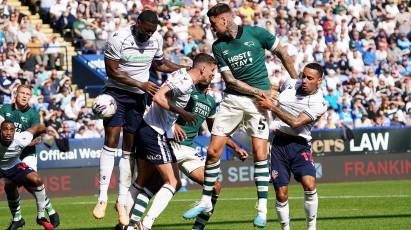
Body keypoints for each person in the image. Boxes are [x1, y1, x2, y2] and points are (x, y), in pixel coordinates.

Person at [183, 3, 298, 228]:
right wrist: (260, 91)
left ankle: (262, 208)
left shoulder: (257, 33)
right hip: (234, 100)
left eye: (213, 23)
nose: (212, 28)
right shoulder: (218, 47)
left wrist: (295, 82)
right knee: (213, 149)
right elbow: (231, 81)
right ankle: (206, 200)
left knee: (260, 152)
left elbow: (282, 52)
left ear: (224, 20)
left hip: (259, 104)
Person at [93, 9, 188, 226]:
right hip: (116, 93)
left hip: (138, 98)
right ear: (137, 24)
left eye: (152, 31)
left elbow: (160, 64)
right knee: (111, 140)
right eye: (146, 31)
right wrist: (141, 84)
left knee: (128, 148)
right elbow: (112, 71)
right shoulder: (118, 38)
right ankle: (102, 198)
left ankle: (120, 201)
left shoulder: (156, 38)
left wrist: (184, 69)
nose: (148, 35)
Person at [126, 82, 249, 230]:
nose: (211, 73)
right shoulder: (185, 91)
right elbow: (160, 104)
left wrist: (236, 147)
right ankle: (137, 225)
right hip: (169, 144)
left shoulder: (210, 102)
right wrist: (173, 124)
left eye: (213, 71)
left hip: (188, 150)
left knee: (215, 186)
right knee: (154, 185)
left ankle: (197, 228)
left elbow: (216, 130)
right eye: (210, 69)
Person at [126, 53, 217, 230]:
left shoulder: (184, 77)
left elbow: (165, 96)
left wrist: (173, 121)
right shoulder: (185, 81)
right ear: (203, 68)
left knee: (155, 181)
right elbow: (159, 97)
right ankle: (139, 222)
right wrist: (182, 114)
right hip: (155, 132)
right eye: (212, 70)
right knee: (170, 182)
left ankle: (131, 222)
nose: (213, 74)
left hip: (156, 132)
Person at [255, 63, 327, 230]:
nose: (304, 80)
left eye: (310, 78)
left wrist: (271, 106)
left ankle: (311, 227)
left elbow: (296, 123)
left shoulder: (318, 103)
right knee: (281, 193)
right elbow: (275, 89)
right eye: (303, 76)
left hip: (300, 145)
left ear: (319, 81)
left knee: (309, 185)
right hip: (279, 145)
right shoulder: (290, 84)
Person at [0, 85, 59, 230]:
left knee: (32, 181)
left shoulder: (33, 114)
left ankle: (49, 210)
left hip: (26, 153)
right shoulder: (5, 109)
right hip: (6, 153)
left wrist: (20, 143)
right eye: (22, 93)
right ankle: (18, 218)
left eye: (28, 94)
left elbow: (37, 139)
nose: (25, 96)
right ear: (16, 94)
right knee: (10, 185)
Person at [0, 121, 55, 230]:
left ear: (15, 132)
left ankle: (41, 216)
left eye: (11, 130)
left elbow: (37, 127)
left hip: (15, 165)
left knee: (37, 180)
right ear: (0, 131)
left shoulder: (22, 138)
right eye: (5, 129)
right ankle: (18, 219)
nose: (8, 132)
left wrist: (46, 130)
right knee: (10, 187)